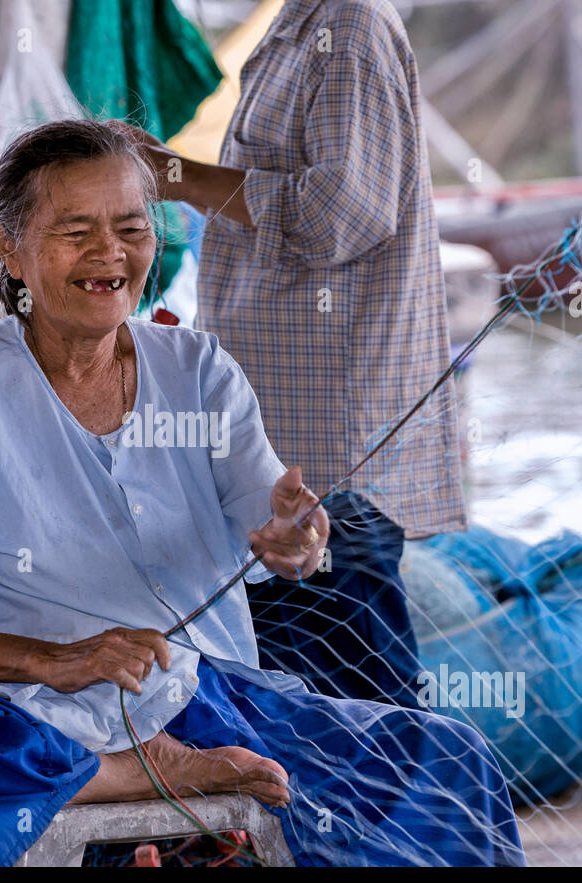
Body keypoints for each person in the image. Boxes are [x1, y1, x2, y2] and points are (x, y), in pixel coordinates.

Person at [0, 119, 523, 866]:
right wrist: (47, 662)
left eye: (132, 227)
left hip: (207, 701)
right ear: (9, 246)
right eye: (76, 231)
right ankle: (125, 773)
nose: (110, 254)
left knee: (453, 757)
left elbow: (274, 523)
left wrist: (296, 536)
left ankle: (152, 781)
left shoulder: (197, 370)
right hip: (21, 715)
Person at [116, 0, 463, 709]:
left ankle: (408, 814)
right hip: (274, 428)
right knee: (289, 688)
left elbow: (340, 215)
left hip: (332, 440)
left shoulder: (351, 27)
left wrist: (173, 177)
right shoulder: (293, 26)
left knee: (359, 696)